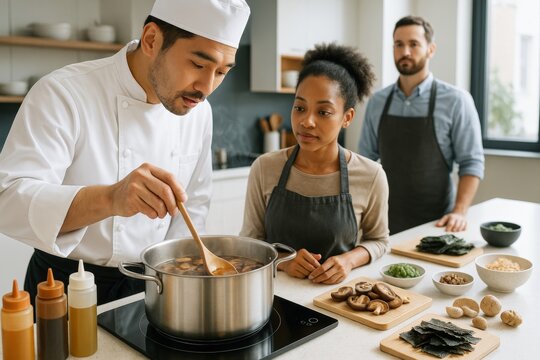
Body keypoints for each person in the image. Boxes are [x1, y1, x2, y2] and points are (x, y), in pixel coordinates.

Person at [0, 0, 250, 306]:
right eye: (198, 65)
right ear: (151, 40)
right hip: (65, 287)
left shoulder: (199, 112)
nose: (207, 87)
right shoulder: (63, 93)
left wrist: (179, 277)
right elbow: (8, 200)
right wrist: (110, 198)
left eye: (222, 72)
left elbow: (194, 204)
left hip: (153, 286)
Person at [240, 43, 389, 285]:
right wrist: (284, 260)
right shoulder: (265, 167)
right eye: (299, 108)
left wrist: (349, 260)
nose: (306, 122)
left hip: (337, 298)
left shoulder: (371, 175)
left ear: (347, 117)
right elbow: (250, 243)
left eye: (323, 112)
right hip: (272, 296)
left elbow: (379, 241)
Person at [359, 15, 484, 235]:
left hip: (439, 224)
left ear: (431, 49)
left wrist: (459, 211)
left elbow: (471, 162)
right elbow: (365, 162)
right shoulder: (377, 103)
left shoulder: (456, 101)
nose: (405, 51)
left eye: (413, 44)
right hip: (385, 224)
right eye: (399, 44)